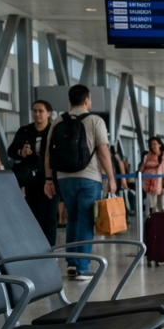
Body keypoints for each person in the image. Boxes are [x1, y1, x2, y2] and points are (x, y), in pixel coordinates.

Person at [43, 84, 117, 281]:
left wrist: (49, 179)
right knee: (85, 221)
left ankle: (73, 263)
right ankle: (83, 268)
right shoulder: (95, 120)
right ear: (87, 100)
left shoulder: (58, 120)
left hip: (64, 178)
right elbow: (103, 152)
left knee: (73, 219)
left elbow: (49, 153)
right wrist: (111, 177)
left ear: (70, 101)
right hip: (89, 177)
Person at [7, 99, 58, 245]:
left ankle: (50, 248)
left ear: (49, 113)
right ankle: (35, 246)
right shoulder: (25, 131)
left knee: (48, 214)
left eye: (41, 111)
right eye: (34, 111)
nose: (37, 114)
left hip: (50, 178)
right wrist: (20, 152)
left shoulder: (54, 131)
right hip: (31, 178)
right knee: (33, 214)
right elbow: (11, 151)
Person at [140, 137, 164, 214]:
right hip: (150, 185)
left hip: (163, 184)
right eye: (151, 144)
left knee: (163, 204)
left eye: (155, 144)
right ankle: (154, 222)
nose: (153, 146)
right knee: (152, 206)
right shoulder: (147, 156)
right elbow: (142, 167)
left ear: (159, 144)